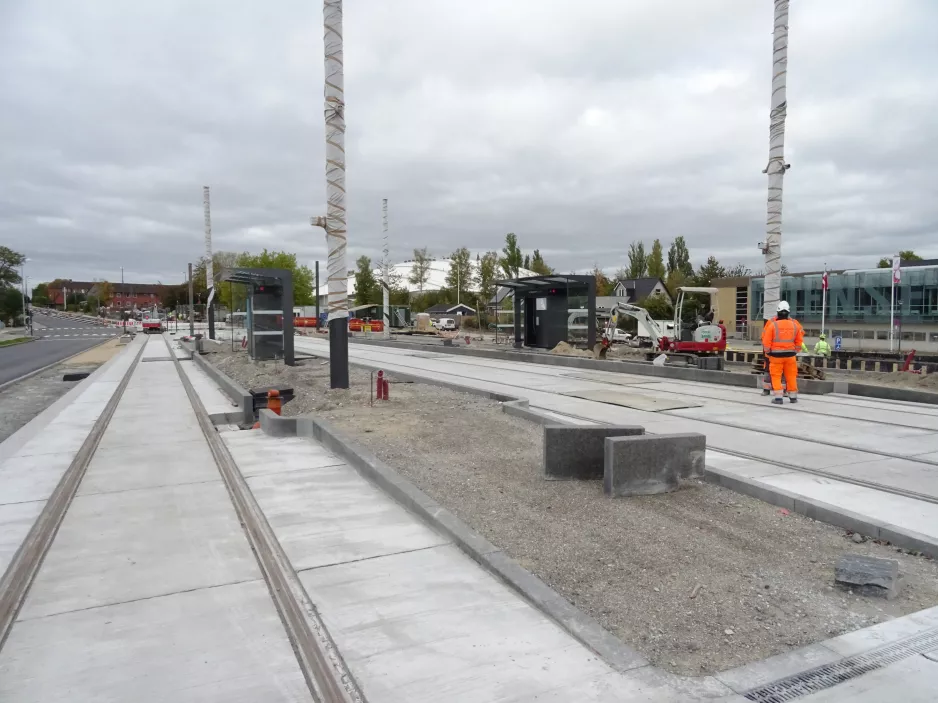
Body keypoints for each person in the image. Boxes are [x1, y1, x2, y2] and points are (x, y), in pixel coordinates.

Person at [761, 300, 804, 405]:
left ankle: (778, 398)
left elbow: (766, 342)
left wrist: (768, 353)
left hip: (775, 357)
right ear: (788, 312)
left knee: (776, 376)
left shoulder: (772, 325)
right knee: (791, 376)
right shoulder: (795, 325)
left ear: (778, 312)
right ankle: (793, 397)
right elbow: (799, 342)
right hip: (790, 356)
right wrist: (795, 351)